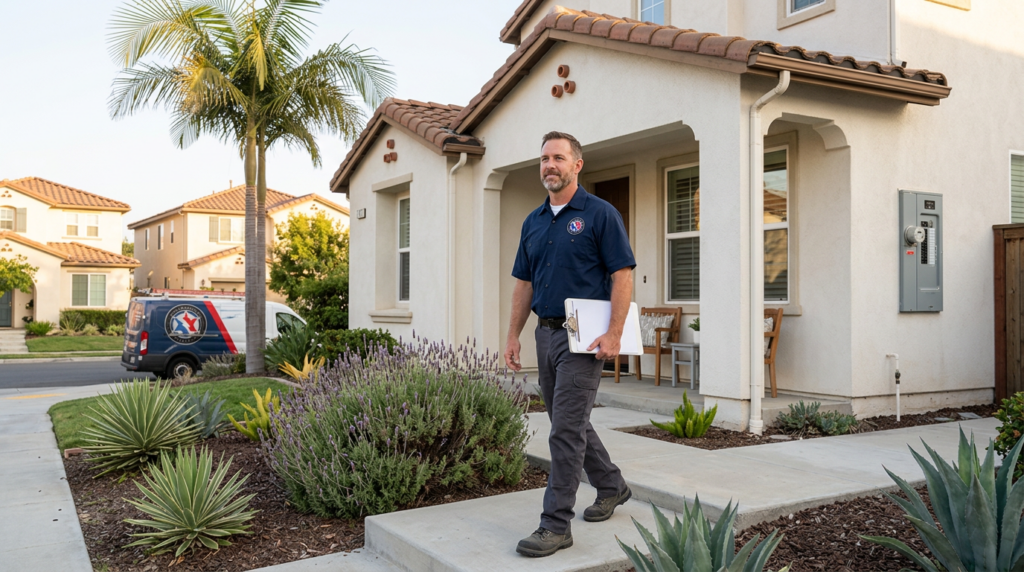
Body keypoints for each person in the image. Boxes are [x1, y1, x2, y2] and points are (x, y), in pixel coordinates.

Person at [505, 131, 634, 557]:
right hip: (545, 333)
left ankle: (555, 524)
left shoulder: (600, 214)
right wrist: (513, 335)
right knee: (570, 420)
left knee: (563, 430)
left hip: (584, 338)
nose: (549, 165)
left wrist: (614, 333)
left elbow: (622, 275)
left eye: (558, 158)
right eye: (544, 158)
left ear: (577, 165)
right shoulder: (533, 221)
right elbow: (523, 283)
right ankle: (612, 485)